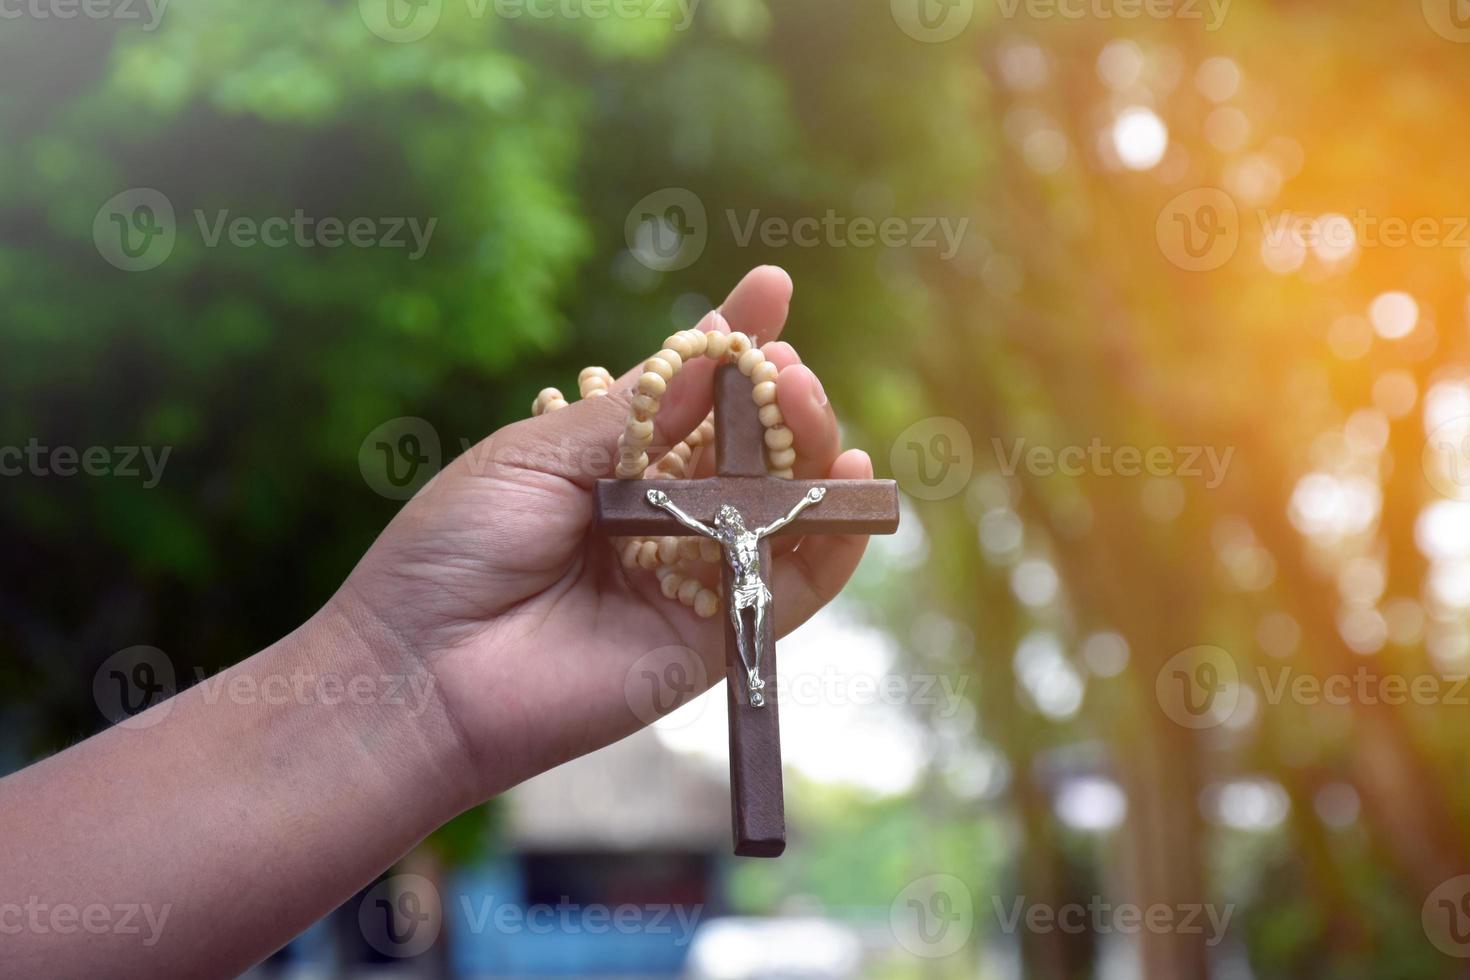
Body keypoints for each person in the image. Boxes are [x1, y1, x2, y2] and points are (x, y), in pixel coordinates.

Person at [0, 266, 873, 979]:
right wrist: (409, 676)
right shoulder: (671, 507)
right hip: (694, 558)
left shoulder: (752, 517)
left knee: (751, 640)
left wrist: (412, 686)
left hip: (735, 587)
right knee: (745, 632)